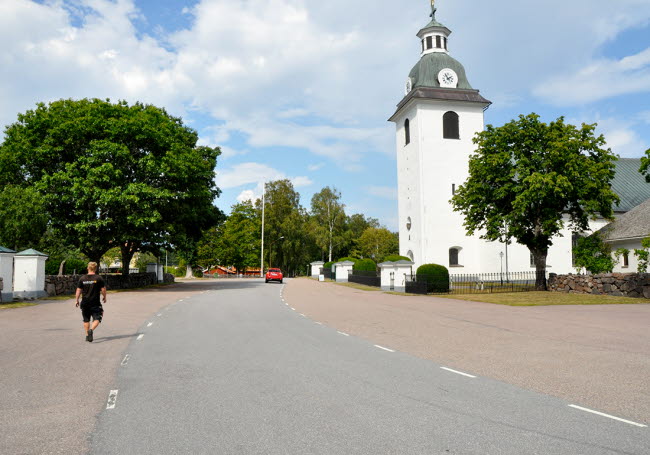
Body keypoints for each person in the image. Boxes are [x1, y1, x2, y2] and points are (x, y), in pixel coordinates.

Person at [75, 262, 107, 342]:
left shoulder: (82, 278)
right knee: (97, 318)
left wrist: (77, 300)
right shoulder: (99, 278)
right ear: (96, 269)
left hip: (85, 302)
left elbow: (78, 290)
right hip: (95, 302)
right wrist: (104, 297)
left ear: (87, 268)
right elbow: (103, 289)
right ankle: (91, 330)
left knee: (86, 319)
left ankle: (87, 335)